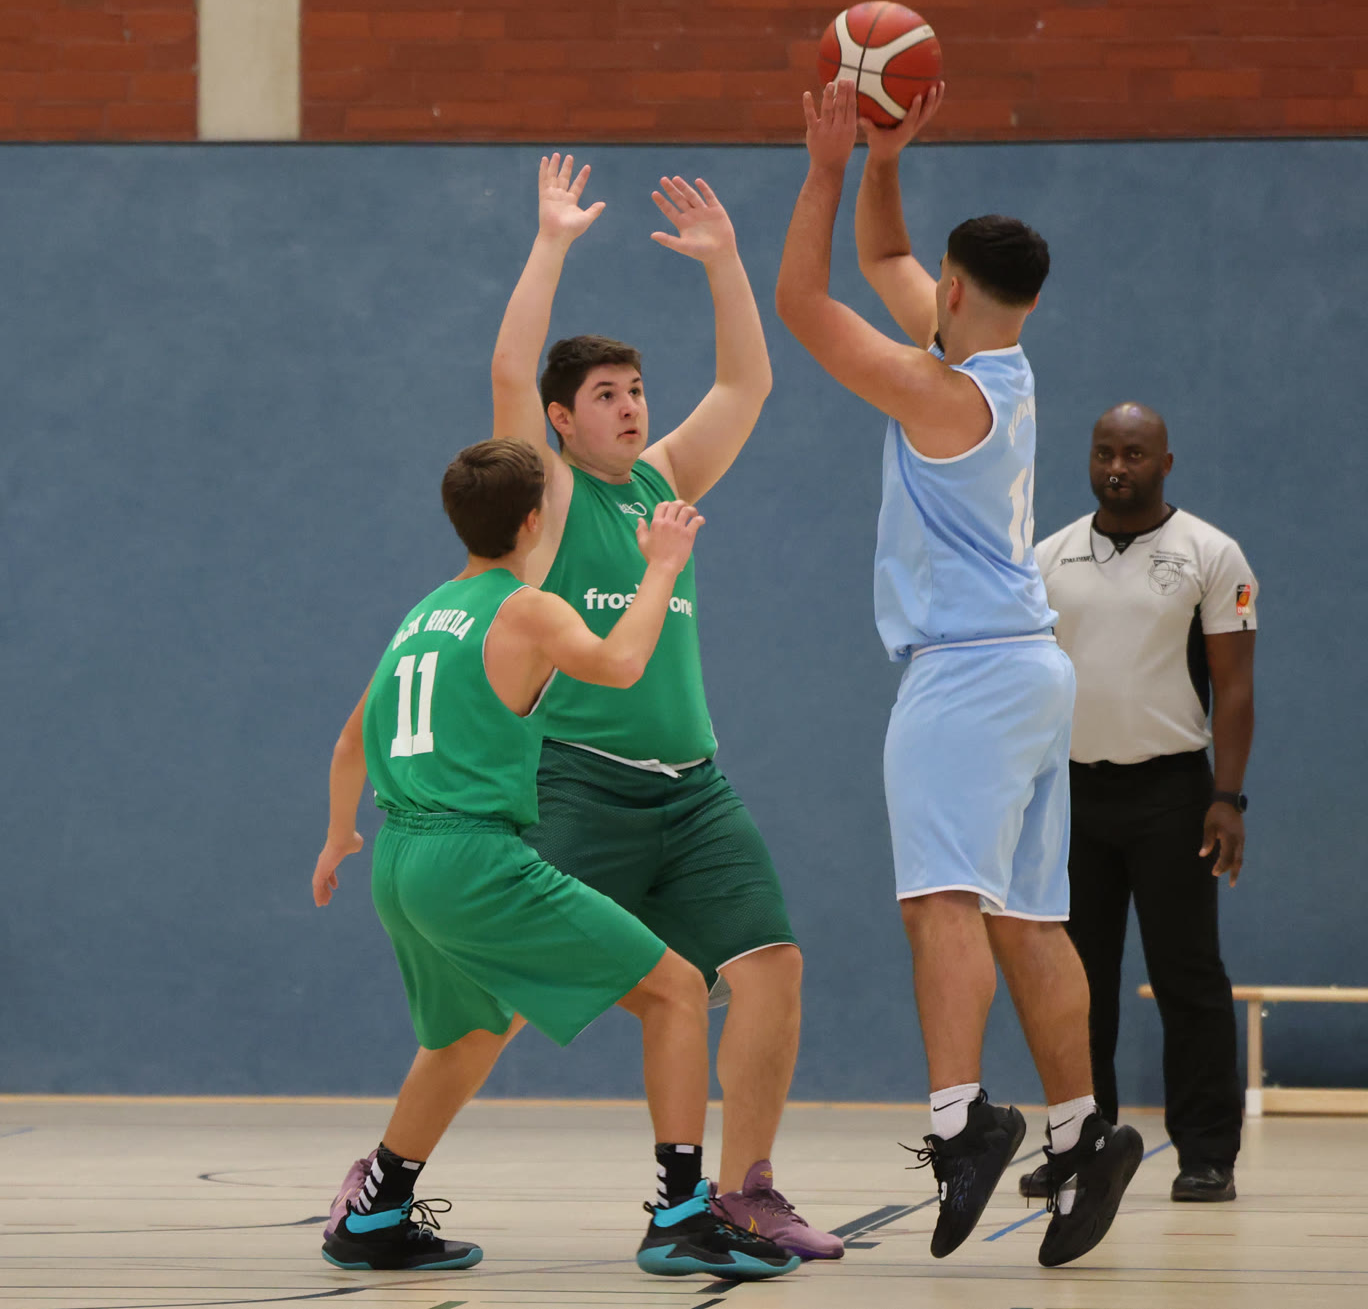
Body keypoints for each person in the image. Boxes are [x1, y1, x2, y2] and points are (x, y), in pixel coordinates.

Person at [325, 154, 840, 1265]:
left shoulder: (666, 481)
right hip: (575, 783)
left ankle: (743, 1193)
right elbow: (509, 367)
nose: (630, 406)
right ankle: (385, 1182)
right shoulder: (548, 502)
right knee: (491, 1008)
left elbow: (746, 386)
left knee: (768, 965)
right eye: (605, 394)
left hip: (692, 790)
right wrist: (550, 241)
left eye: (635, 389)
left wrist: (725, 263)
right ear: (559, 423)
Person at [773, 80, 1140, 1268]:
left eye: (930, 278)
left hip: (967, 674)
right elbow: (882, 258)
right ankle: (1082, 1133)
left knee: (937, 903)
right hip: (1030, 671)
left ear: (953, 288)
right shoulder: (996, 366)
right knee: (1028, 919)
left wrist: (824, 165)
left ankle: (959, 1122)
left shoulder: (935, 393)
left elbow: (802, 303)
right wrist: (885, 161)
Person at [311, 438, 796, 1282]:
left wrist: (335, 837)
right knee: (677, 990)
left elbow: (352, 739)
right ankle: (681, 1216)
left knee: (467, 1030)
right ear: (535, 521)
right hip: (471, 855)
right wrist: (663, 565)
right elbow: (622, 662)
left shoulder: (424, 612)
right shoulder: (526, 608)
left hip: (398, 857)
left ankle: (376, 1211)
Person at [1020, 402, 1255, 1203]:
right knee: (1074, 981)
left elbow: (1234, 687)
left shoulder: (1211, 554)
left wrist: (1227, 796)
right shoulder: (1048, 557)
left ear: (1165, 463)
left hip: (1174, 794)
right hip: (1073, 795)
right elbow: (1026, 681)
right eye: (1104, 453)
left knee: (1187, 975)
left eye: (1134, 454)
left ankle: (1208, 1152)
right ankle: (1082, 1142)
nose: (1117, 467)